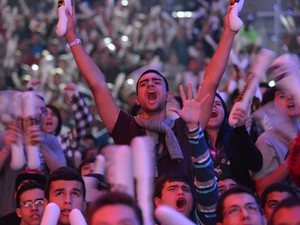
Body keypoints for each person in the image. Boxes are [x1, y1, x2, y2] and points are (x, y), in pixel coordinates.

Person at [64, 1, 239, 181]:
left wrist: (228, 31)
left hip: (180, 207)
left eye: (156, 82)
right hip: (139, 208)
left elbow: (210, 83)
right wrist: (71, 36)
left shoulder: (186, 127)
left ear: (167, 96)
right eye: (144, 84)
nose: (150, 85)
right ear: (137, 100)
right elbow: (98, 84)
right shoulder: (126, 127)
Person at [0, 92, 66, 217]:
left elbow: (62, 173)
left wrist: (42, 145)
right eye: (35, 107)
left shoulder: (50, 140)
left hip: (42, 213)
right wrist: (6, 148)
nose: (39, 113)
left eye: (43, 110)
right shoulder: (4, 137)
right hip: (8, 211)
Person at [204, 93, 263, 191]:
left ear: (225, 112)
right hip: (206, 201)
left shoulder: (237, 135)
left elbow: (256, 164)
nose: (213, 106)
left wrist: (241, 128)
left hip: (238, 196)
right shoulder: (193, 140)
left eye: (218, 104)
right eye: (208, 104)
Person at [252, 87, 299, 196]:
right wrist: (292, 157)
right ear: (271, 108)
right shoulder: (266, 141)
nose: (290, 98)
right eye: (282, 96)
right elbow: (261, 190)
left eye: (293, 94)